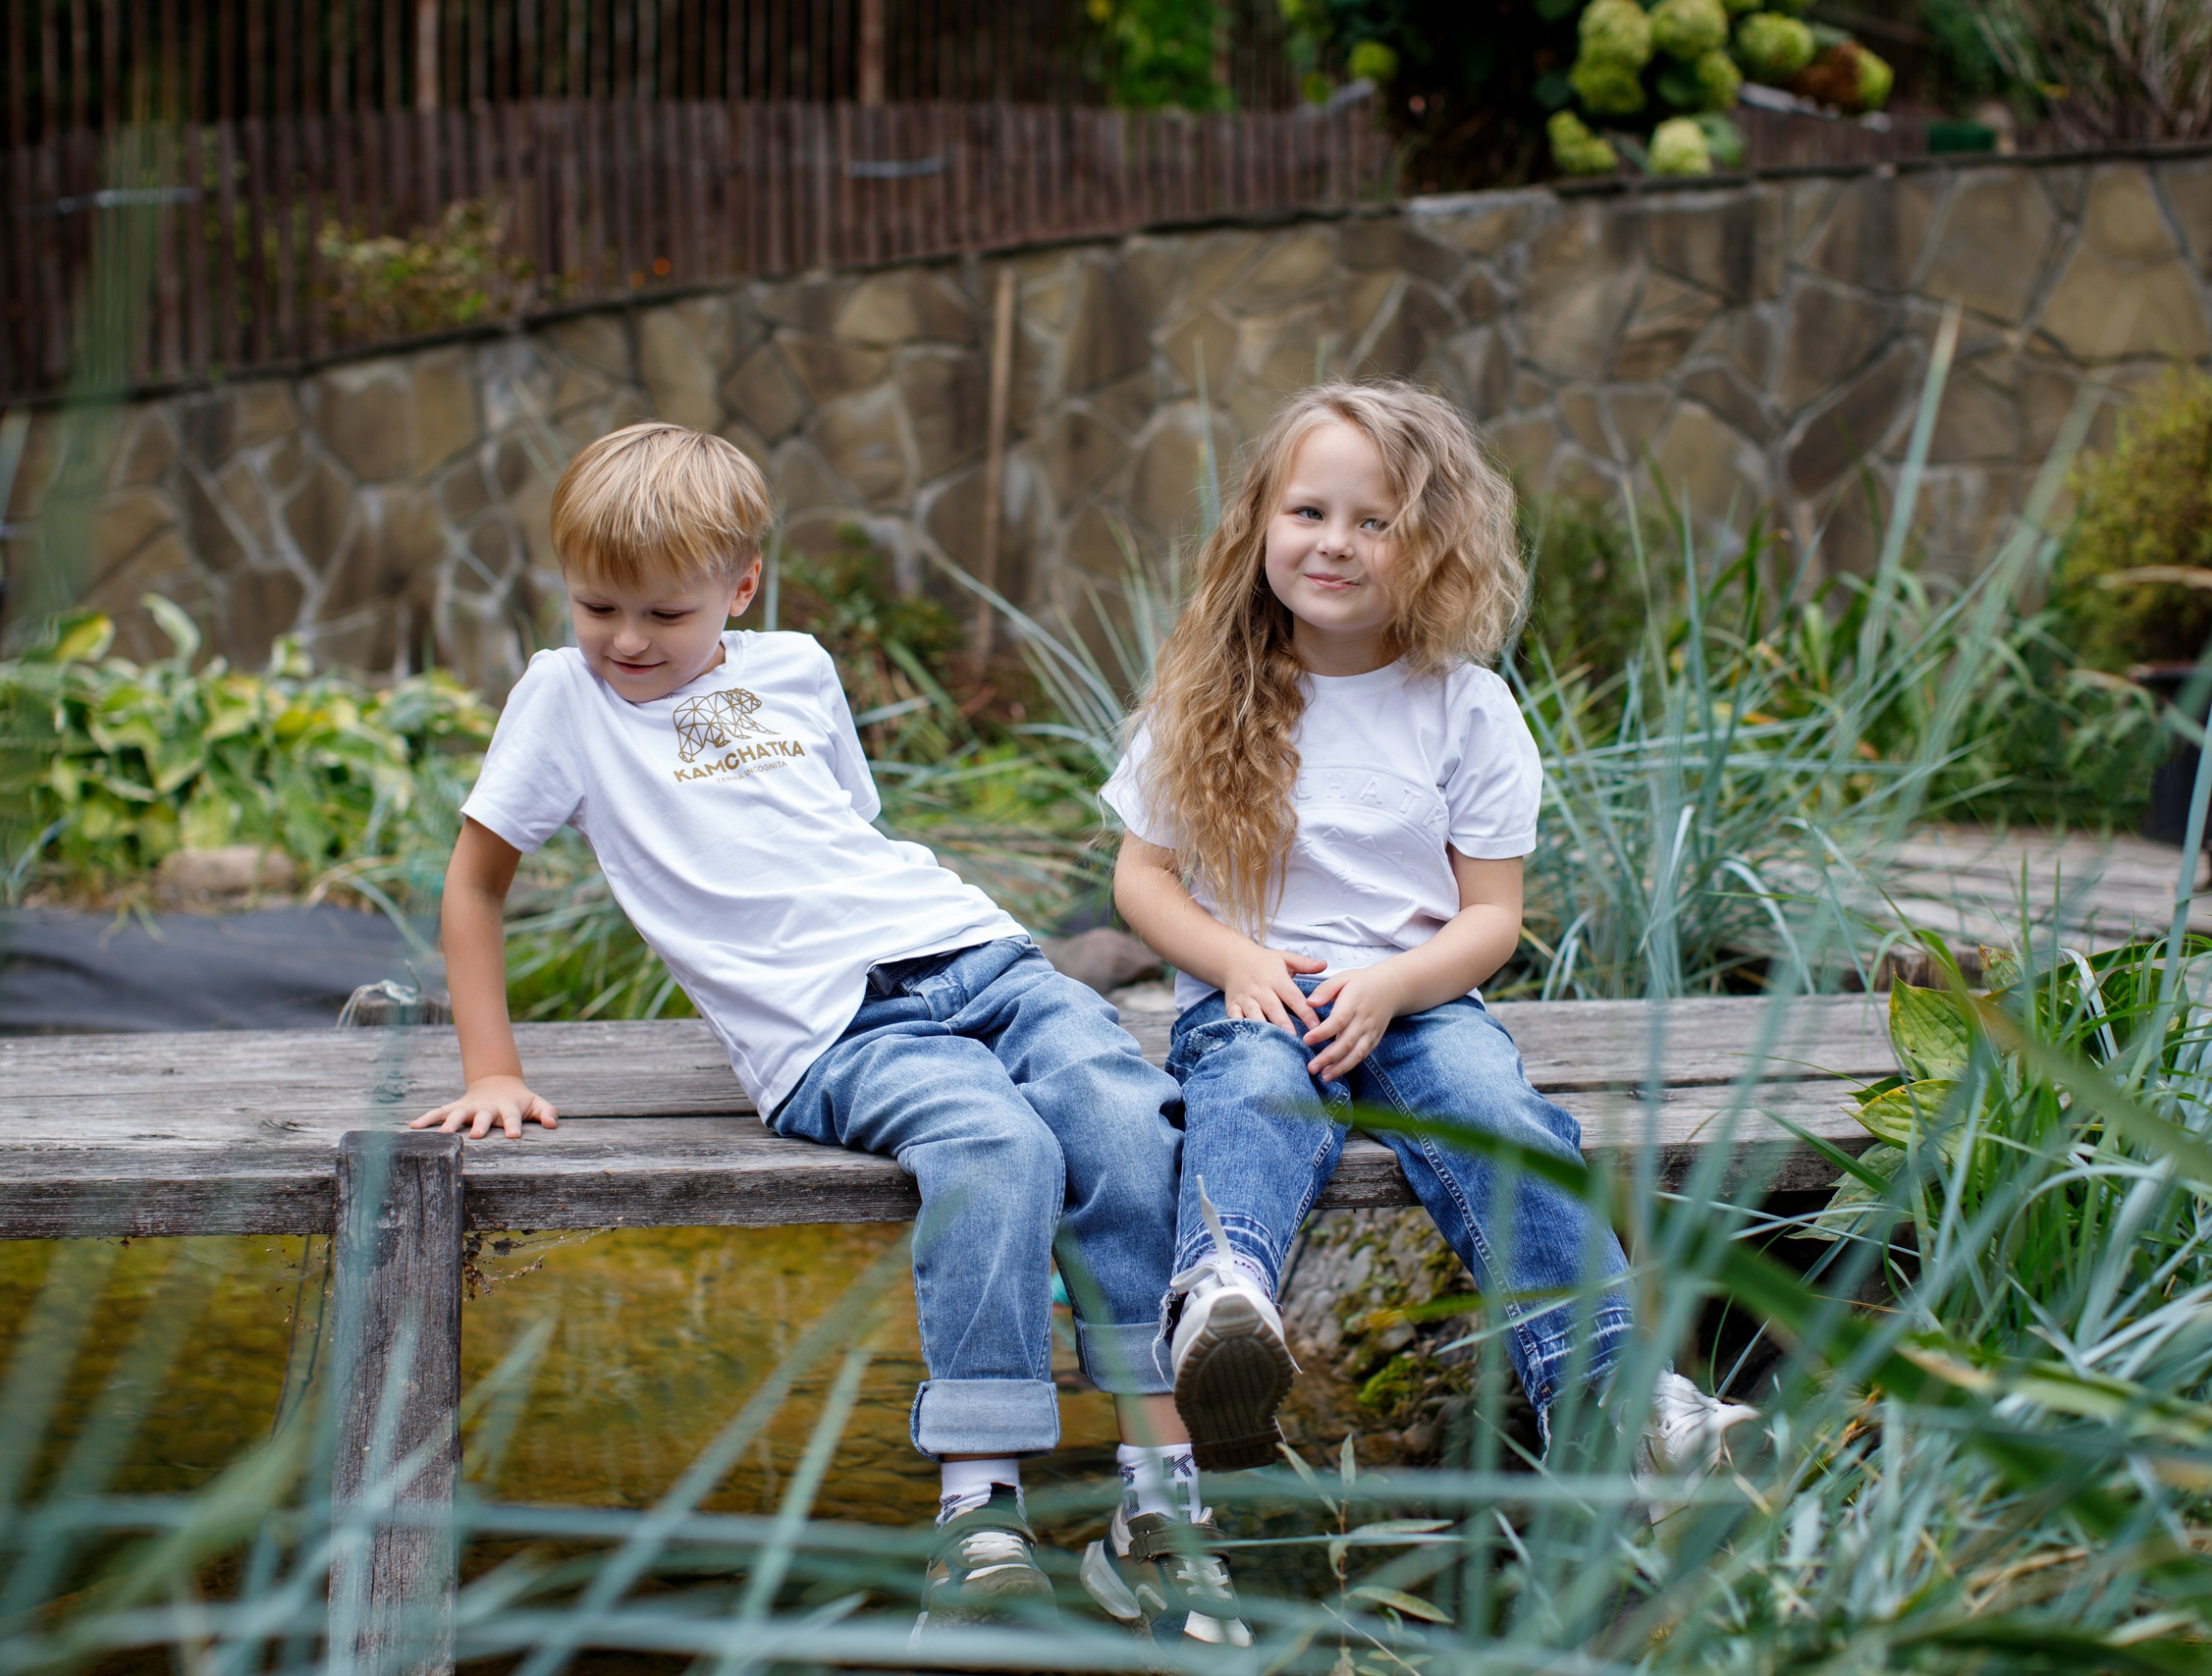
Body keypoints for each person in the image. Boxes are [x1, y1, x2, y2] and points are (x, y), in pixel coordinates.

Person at [411, 422, 1246, 1646]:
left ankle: (1155, 1492)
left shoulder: (795, 664)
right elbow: (474, 883)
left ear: (740, 586)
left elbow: (846, 831)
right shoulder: (564, 697)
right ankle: (981, 1510)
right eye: (599, 605)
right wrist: (494, 1067)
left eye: (665, 612)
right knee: (997, 1150)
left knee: (1118, 1113)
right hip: (829, 1029)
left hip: (971, 951)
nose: (627, 641)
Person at [1103, 382, 1755, 1480]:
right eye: (1309, 512)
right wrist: (1234, 961)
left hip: (1419, 997)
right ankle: (1226, 1299)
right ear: (1259, 520)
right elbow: (1144, 881)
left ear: (1435, 545)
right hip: (1256, 988)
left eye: (1378, 522)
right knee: (1248, 1090)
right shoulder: (1206, 696)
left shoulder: (1464, 706)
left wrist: (1398, 987)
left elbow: (1493, 915)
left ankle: (1625, 1404)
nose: (1336, 544)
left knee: (1500, 1119)